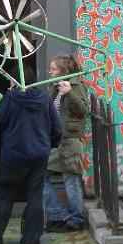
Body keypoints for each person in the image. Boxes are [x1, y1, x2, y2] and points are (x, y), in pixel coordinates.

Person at [0, 64, 62, 244]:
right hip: (39, 154)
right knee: (35, 195)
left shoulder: (10, 98)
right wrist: (48, 145)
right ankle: (32, 238)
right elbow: (57, 128)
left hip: (13, 154)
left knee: (4, 195)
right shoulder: (45, 98)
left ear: (12, 80)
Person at [44, 55, 89, 232]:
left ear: (64, 71)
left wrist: (69, 92)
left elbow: (83, 111)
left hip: (70, 140)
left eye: (53, 69)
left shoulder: (75, 86)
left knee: (71, 180)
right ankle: (59, 214)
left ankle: (76, 219)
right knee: (41, 175)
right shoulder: (54, 87)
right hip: (57, 141)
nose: (50, 71)